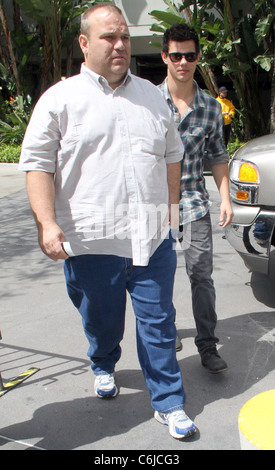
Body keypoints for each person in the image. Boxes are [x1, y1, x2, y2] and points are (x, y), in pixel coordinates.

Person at [19, 5, 196, 440]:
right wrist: (47, 223)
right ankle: (103, 361)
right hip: (91, 241)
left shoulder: (152, 96)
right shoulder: (60, 100)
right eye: (108, 37)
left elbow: (172, 155)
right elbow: (37, 164)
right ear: (84, 43)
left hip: (151, 236)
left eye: (124, 37)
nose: (119, 45)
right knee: (102, 319)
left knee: (159, 321)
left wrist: (172, 209)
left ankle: (168, 401)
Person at [159, 23, 233, 373]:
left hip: (195, 204)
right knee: (159, 276)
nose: (183, 62)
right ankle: (166, 331)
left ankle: (207, 345)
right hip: (156, 208)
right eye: (176, 55)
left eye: (189, 55)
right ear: (165, 57)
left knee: (201, 276)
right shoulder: (149, 103)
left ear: (197, 57)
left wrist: (226, 199)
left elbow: (217, 154)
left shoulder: (210, 107)